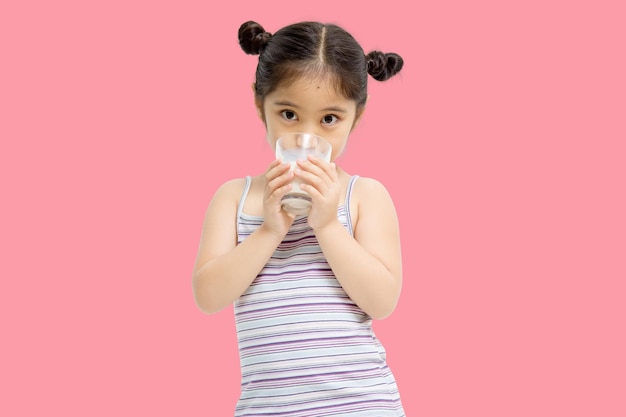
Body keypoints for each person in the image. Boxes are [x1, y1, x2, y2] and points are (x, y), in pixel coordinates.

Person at [192, 20, 405, 416]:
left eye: (329, 120)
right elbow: (208, 295)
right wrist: (270, 230)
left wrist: (326, 225)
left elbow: (382, 301)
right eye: (289, 113)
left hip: (361, 405)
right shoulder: (234, 198)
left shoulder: (364, 197)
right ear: (260, 105)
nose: (309, 136)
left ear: (355, 117)